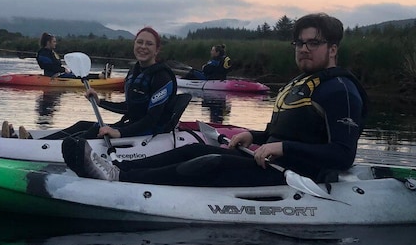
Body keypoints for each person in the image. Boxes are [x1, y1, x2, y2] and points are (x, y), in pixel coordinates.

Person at [62, 13, 368, 187]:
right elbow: (282, 136)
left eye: (313, 43)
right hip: (272, 160)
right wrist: (255, 136)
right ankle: (120, 172)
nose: (303, 48)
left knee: (213, 161)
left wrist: (282, 147)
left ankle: (122, 179)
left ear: (333, 48)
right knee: (196, 147)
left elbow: (342, 156)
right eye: (299, 42)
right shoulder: (302, 83)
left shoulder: (340, 90)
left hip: (298, 175)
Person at [40, 26, 178, 141]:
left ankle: (40, 148)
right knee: (82, 125)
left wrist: (119, 133)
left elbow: (152, 119)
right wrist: (100, 102)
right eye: (139, 42)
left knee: (92, 132)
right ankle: (33, 142)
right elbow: (129, 108)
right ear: (134, 44)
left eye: (149, 44)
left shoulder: (162, 77)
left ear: (157, 50)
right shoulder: (134, 72)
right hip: (132, 127)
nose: (143, 47)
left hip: (150, 134)